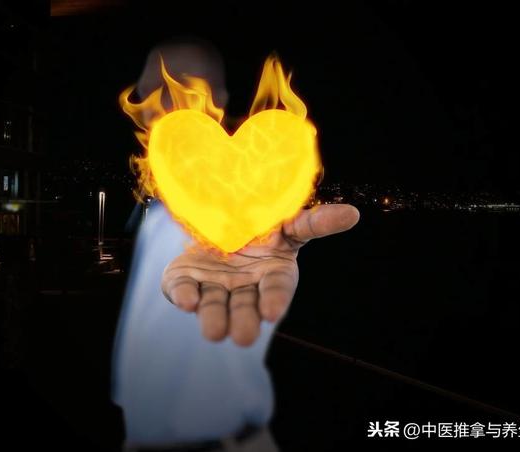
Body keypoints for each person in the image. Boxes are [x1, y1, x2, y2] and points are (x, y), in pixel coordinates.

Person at [111, 37, 360, 451]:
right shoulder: (156, 206)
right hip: (141, 431)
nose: (159, 97)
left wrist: (265, 243)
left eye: (177, 83)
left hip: (226, 439)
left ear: (219, 98)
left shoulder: (254, 197)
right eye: (150, 85)